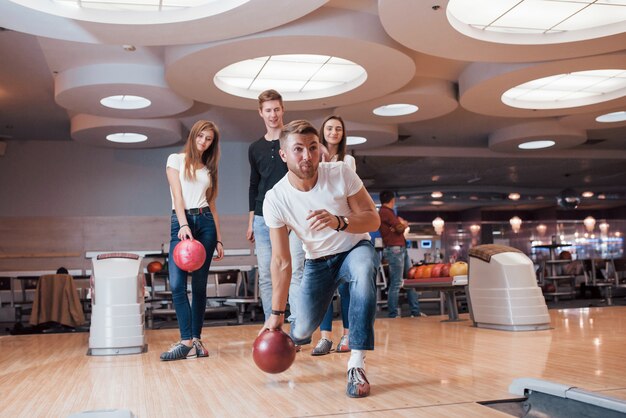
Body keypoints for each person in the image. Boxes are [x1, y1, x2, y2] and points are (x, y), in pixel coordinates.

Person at [261, 120, 380, 398]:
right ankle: (298, 337)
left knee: (363, 272)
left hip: (353, 249)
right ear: (284, 155)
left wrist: (339, 221)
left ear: (320, 149)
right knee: (301, 330)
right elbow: (281, 261)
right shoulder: (275, 199)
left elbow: (373, 219)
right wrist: (276, 314)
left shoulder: (340, 172)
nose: (307, 156)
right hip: (318, 262)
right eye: (298, 149)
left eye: (313, 148)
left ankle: (356, 364)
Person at [160, 120, 224, 361]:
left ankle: (195, 339)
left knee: (198, 287)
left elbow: (213, 205)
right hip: (182, 222)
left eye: (208, 139)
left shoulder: (209, 169)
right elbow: (177, 196)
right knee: (177, 285)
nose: (203, 142)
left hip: (205, 222)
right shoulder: (175, 160)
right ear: (193, 136)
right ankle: (185, 339)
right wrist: (184, 224)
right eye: (200, 137)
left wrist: (219, 239)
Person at [247, 89, 305, 323]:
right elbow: (254, 185)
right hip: (263, 217)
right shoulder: (254, 148)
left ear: (283, 110)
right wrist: (251, 220)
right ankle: (274, 325)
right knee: (267, 275)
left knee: (295, 272)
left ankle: (298, 327)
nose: (273, 114)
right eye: (268, 110)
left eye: (277, 109)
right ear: (261, 113)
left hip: (294, 216)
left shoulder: (293, 141)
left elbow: (302, 174)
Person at [311, 115, 355, 356]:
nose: (334, 132)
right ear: (322, 131)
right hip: (321, 230)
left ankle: (347, 336)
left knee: (346, 287)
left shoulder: (348, 160)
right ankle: (325, 338)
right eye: (329, 128)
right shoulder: (313, 157)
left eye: (338, 128)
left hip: (342, 227)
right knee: (325, 289)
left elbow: (342, 189)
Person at [378, 190, 423, 318]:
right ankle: (393, 314)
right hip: (395, 249)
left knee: (410, 280)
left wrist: (398, 226)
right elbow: (399, 228)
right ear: (392, 200)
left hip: (398, 248)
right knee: (397, 283)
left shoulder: (384, 213)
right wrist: (403, 224)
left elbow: (396, 228)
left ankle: (415, 311)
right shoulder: (386, 212)